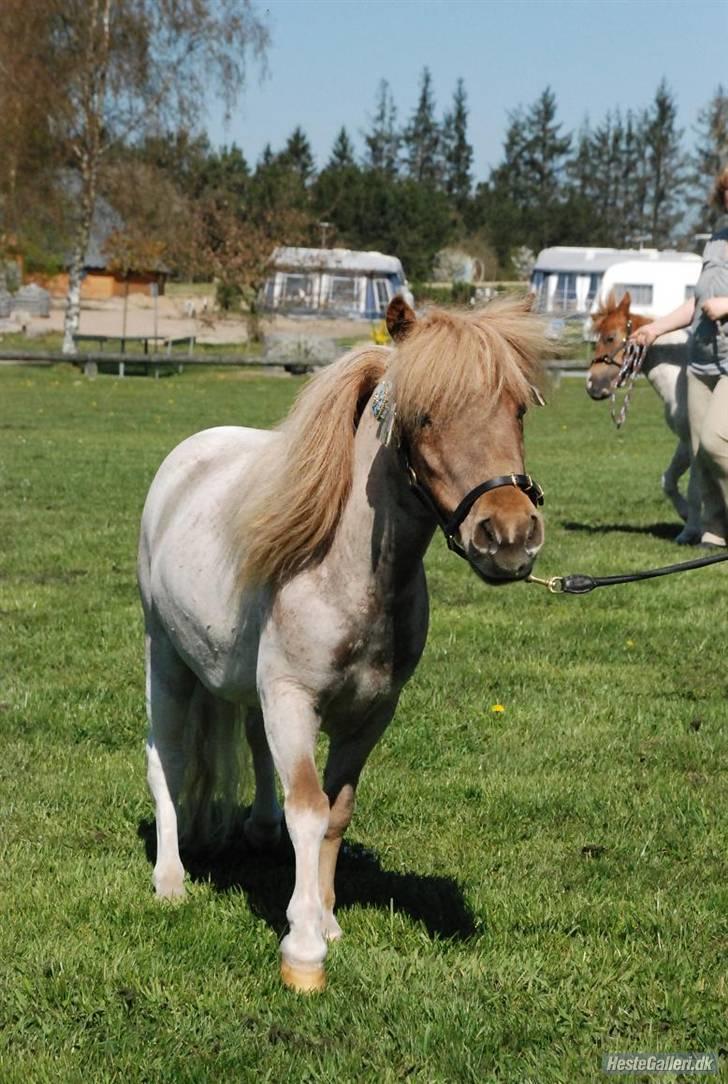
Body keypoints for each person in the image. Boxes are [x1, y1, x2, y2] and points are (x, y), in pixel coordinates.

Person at [632, 167, 728, 547]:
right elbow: (698, 301)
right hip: (701, 360)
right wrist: (655, 328)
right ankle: (716, 531)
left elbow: (717, 302)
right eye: (725, 191)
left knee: (717, 442)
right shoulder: (717, 242)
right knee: (701, 454)